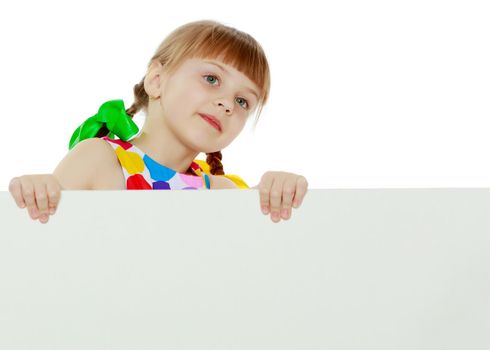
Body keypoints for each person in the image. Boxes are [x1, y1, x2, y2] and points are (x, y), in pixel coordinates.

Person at [8, 20, 308, 224]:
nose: (227, 104)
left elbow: (254, 260)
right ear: (156, 80)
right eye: (211, 79)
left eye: (243, 101)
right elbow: (44, 245)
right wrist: (38, 190)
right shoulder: (99, 159)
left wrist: (275, 190)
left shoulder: (220, 192)